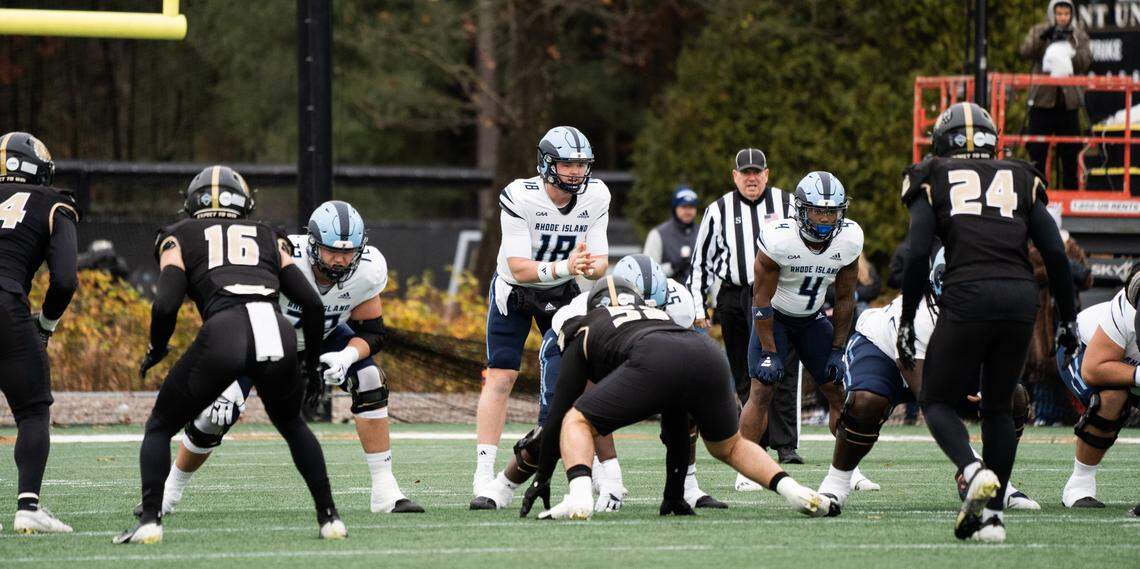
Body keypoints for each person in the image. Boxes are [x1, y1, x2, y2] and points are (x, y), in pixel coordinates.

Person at [115, 166, 345, 544]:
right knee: (293, 427)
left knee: (158, 426)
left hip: (226, 331)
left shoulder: (177, 236)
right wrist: (310, 366)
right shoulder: (271, 235)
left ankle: (151, 521)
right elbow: (312, 306)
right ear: (246, 203)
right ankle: (330, 518)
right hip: (275, 330)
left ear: (191, 203)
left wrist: (158, 346)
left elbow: (166, 303)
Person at [152, 200, 423, 516]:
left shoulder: (368, 270)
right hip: (258, 334)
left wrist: (348, 356)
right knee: (217, 412)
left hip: (320, 339)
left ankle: (385, 491)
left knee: (369, 379)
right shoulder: (280, 254)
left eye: (348, 252)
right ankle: (168, 492)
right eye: (331, 250)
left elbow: (373, 332)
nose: (339, 260)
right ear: (311, 244)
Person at [897, 102, 1077, 542]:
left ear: (942, 142)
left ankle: (972, 469)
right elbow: (1055, 253)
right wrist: (1068, 319)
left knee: (937, 400)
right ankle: (993, 518)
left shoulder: (929, 174)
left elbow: (917, 252)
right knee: (998, 406)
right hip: (1019, 298)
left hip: (968, 293)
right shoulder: (1020, 174)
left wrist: (906, 316)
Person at [518, 276, 831, 520]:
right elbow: (677, 416)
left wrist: (541, 479)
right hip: (706, 353)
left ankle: (579, 496)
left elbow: (558, 414)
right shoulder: (658, 313)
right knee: (730, 445)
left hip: (654, 356)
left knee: (576, 419)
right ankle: (793, 489)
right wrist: (673, 495)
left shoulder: (584, 325)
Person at [472, 255, 725, 512]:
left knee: (686, 403)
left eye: (654, 310)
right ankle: (501, 487)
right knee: (556, 425)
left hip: (643, 358)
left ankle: (688, 486)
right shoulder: (582, 313)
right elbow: (592, 398)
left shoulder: (678, 303)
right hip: (582, 355)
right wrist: (611, 476)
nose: (646, 315)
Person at [817, 249, 1040, 513]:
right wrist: (969, 463)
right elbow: (929, 398)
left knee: (1012, 397)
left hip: (944, 363)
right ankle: (837, 482)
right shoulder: (917, 317)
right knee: (866, 403)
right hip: (883, 352)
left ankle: (997, 482)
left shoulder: (998, 312)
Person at [473, 126, 610, 499]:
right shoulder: (521, 195)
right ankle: (484, 469)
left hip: (562, 292)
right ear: (547, 163)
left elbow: (600, 262)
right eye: (567, 164)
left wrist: (587, 267)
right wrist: (569, 266)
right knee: (501, 376)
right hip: (516, 293)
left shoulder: (596, 195)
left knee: (581, 376)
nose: (576, 172)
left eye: (581, 164)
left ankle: (598, 467)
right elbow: (518, 267)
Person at [743, 171, 867, 491]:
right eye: (817, 210)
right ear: (800, 209)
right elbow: (761, 299)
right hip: (776, 318)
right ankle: (746, 468)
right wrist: (770, 351)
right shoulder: (779, 239)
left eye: (832, 211)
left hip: (812, 319)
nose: (825, 218)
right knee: (762, 389)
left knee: (838, 390)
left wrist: (838, 349)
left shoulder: (849, 238)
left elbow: (843, 299)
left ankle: (847, 469)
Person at [686, 148, 801, 466]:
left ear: (767, 174)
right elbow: (701, 263)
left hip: (777, 295)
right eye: (745, 173)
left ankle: (786, 444)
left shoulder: (788, 204)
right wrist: (698, 306)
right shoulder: (718, 209)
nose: (751, 178)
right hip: (735, 296)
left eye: (757, 172)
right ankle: (754, 444)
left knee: (780, 368)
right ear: (734, 175)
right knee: (743, 372)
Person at [0, 132, 78, 534]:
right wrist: (45, 325)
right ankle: (28, 505)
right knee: (31, 411)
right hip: (5, 302)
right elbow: (65, 279)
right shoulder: (53, 202)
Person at [1057, 268, 1139, 508]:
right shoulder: (1126, 310)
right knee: (1111, 398)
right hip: (1083, 350)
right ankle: (1079, 485)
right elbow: (1093, 369)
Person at [1019, 0, 1092, 190]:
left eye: (1066, 14)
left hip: (1069, 104)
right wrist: (1044, 37)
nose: (1062, 18)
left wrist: (1068, 48)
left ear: (1071, 14)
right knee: (1037, 153)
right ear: (1052, 13)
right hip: (1042, 102)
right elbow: (1026, 51)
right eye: (1059, 14)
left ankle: (1071, 195)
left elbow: (1085, 61)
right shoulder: (1040, 29)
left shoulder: (1078, 34)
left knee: (1070, 153)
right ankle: (1036, 194)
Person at [644, 185, 699, 284]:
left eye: (691, 207)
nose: (687, 211)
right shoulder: (657, 234)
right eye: (683, 206)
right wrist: (673, 266)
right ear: (675, 208)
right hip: (668, 296)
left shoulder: (703, 232)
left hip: (698, 296)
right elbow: (647, 273)